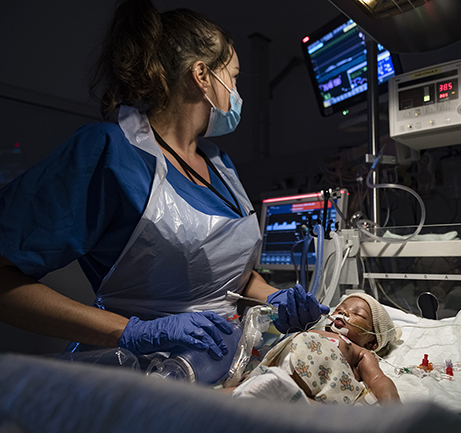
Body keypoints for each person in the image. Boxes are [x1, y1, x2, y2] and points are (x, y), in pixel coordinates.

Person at [0, 0, 328, 380]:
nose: (236, 92)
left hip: (221, 366)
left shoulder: (220, 166)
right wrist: (132, 331)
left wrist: (270, 294)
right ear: (202, 76)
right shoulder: (109, 152)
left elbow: (228, 277)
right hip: (140, 376)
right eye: (233, 78)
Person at [231, 293, 402, 404]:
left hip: (305, 390)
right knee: (231, 394)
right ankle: (204, 403)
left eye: (358, 314)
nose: (343, 313)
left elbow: (379, 379)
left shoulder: (361, 352)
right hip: (272, 374)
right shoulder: (316, 330)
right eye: (340, 309)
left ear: (372, 342)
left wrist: (393, 408)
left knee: (303, 405)